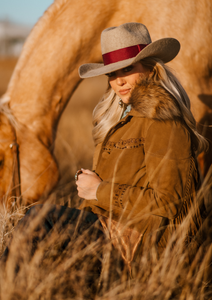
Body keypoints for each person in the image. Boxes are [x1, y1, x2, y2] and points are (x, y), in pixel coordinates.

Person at [1, 22, 208, 278]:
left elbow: (167, 202)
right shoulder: (120, 118)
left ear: (151, 67)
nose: (119, 81)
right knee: (40, 237)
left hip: (141, 245)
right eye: (111, 73)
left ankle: (8, 284)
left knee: (40, 217)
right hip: (111, 229)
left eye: (127, 69)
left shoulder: (162, 120)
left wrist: (98, 189)